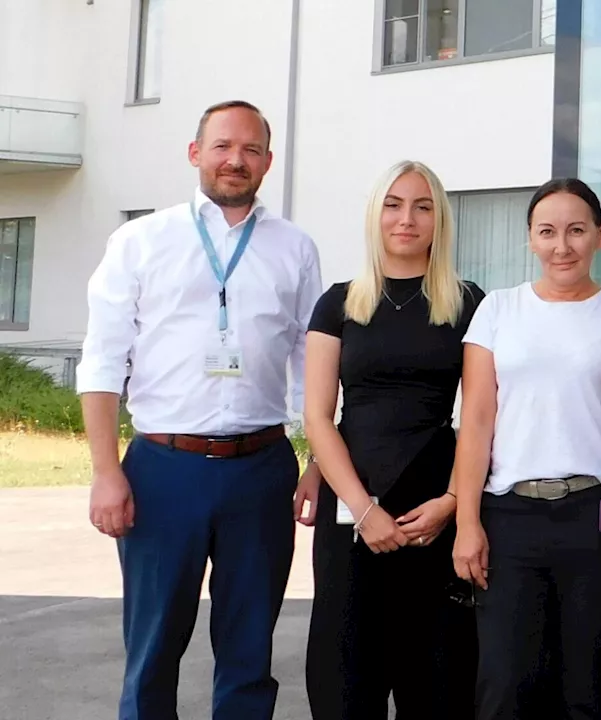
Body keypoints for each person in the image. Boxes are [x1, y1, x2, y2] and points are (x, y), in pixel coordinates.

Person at [77, 99, 324, 720]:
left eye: (250, 149)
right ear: (195, 153)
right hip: (164, 470)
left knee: (248, 652)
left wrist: (314, 459)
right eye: (222, 146)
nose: (235, 160)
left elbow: (309, 359)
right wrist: (107, 472)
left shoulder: (294, 249)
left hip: (260, 468)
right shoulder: (140, 241)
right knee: (153, 647)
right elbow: (103, 361)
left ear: (268, 161)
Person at [451, 178, 601, 720]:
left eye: (576, 230)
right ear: (530, 241)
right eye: (548, 232)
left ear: (599, 236)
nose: (562, 246)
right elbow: (476, 421)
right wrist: (467, 522)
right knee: (504, 688)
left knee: (588, 690)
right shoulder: (498, 310)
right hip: (510, 517)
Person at [300, 160, 484, 718]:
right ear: (375, 214)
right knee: (344, 670)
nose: (407, 218)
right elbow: (316, 415)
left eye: (423, 206)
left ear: (440, 220)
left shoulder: (470, 302)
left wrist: (453, 502)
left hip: (434, 502)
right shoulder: (338, 301)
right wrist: (361, 509)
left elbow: (479, 414)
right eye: (394, 205)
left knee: (435, 672)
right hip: (352, 500)